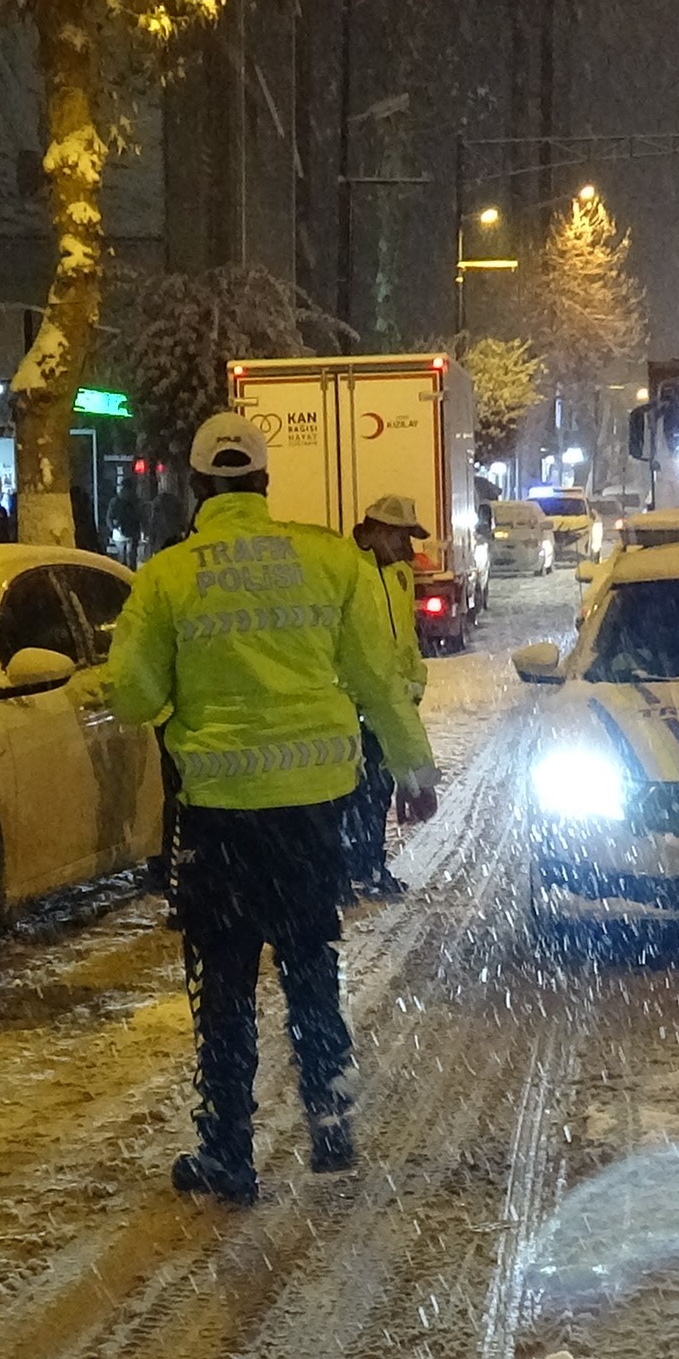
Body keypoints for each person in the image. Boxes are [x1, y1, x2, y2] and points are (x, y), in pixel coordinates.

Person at [111, 413, 437, 1205]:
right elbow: (375, 680)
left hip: (220, 820)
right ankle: (329, 1118)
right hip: (308, 814)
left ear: (197, 486)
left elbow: (131, 694)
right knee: (308, 961)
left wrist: (183, 701)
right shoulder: (329, 561)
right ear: (264, 483)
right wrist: (412, 769)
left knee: (222, 983)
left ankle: (230, 1151)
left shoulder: (168, 577)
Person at [339, 492, 436, 900]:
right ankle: (344, 874)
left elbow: (406, 639)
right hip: (348, 703)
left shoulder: (398, 574)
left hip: (387, 701)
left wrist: (414, 685)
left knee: (378, 789)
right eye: (402, 538)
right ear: (376, 531)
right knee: (346, 793)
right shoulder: (343, 569)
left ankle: (370, 866)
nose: (408, 549)